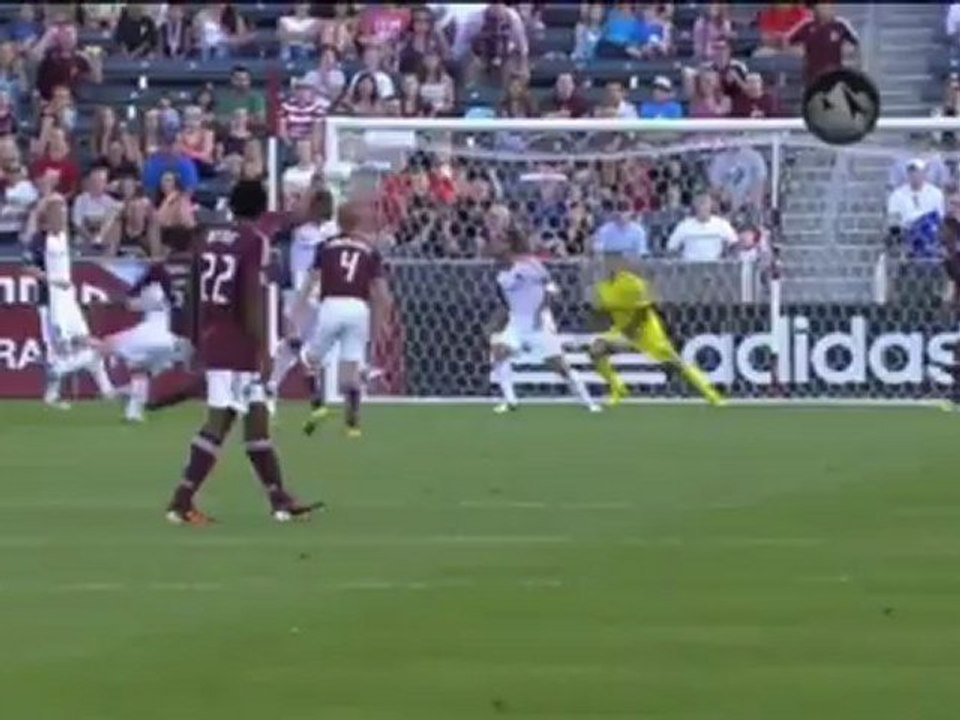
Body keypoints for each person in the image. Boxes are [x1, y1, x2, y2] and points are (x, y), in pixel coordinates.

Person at [165, 179, 322, 525]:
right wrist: (264, 349)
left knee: (256, 423)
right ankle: (181, 502)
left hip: (214, 336)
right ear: (260, 208)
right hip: (240, 345)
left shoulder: (208, 238)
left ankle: (280, 499)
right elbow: (251, 294)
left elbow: (193, 288)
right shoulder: (255, 241)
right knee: (220, 422)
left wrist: (194, 338)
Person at [485, 206, 600, 414]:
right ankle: (510, 402)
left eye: (499, 242)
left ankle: (589, 402)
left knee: (559, 366)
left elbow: (551, 287)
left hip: (538, 321)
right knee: (498, 352)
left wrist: (540, 311)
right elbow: (508, 301)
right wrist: (499, 320)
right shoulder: (501, 271)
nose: (494, 245)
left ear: (509, 245)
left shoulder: (529, 264)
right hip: (518, 321)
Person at [296, 198, 392, 438]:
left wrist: (298, 310)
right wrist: (382, 321)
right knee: (351, 367)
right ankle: (353, 425)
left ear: (338, 221)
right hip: (358, 308)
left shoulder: (325, 247)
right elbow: (381, 293)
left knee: (309, 359)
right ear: (359, 223)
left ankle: (318, 404)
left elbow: (311, 281)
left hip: (332, 305)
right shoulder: (370, 251)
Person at [590, 249, 724, 407]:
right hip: (622, 330)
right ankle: (617, 387)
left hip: (647, 330)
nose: (603, 267)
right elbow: (602, 312)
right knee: (597, 349)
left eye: (607, 264)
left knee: (674, 362)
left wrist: (631, 331)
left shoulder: (633, 283)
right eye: (600, 264)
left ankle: (710, 393)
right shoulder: (601, 287)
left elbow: (644, 310)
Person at [22, 194, 115, 409]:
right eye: (59, 214)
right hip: (50, 302)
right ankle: (52, 395)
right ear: (49, 217)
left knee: (85, 339)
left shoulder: (65, 236)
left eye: (64, 214)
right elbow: (27, 267)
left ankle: (107, 389)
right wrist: (52, 280)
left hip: (68, 299)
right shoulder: (39, 239)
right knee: (62, 349)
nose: (63, 218)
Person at [268, 187, 339, 410]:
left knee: (297, 342)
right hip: (311, 290)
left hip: (304, 290)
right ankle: (283, 385)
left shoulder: (303, 232)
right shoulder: (323, 232)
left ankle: (277, 385)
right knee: (299, 342)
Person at [102, 255, 193, 422]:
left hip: (152, 333)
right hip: (171, 339)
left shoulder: (152, 289)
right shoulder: (174, 290)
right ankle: (133, 411)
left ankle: (111, 389)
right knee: (141, 370)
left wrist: (125, 299)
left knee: (105, 345)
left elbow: (131, 304)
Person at [666, 192, 739, 261]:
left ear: (710, 207)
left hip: (715, 266)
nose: (703, 209)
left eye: (705, 206)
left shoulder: (721, 224)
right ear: (695, 208)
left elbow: (734, 243)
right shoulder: (684, 225)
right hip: (690, 266)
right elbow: (671, 246)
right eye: (700, 205)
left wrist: (727, 258)